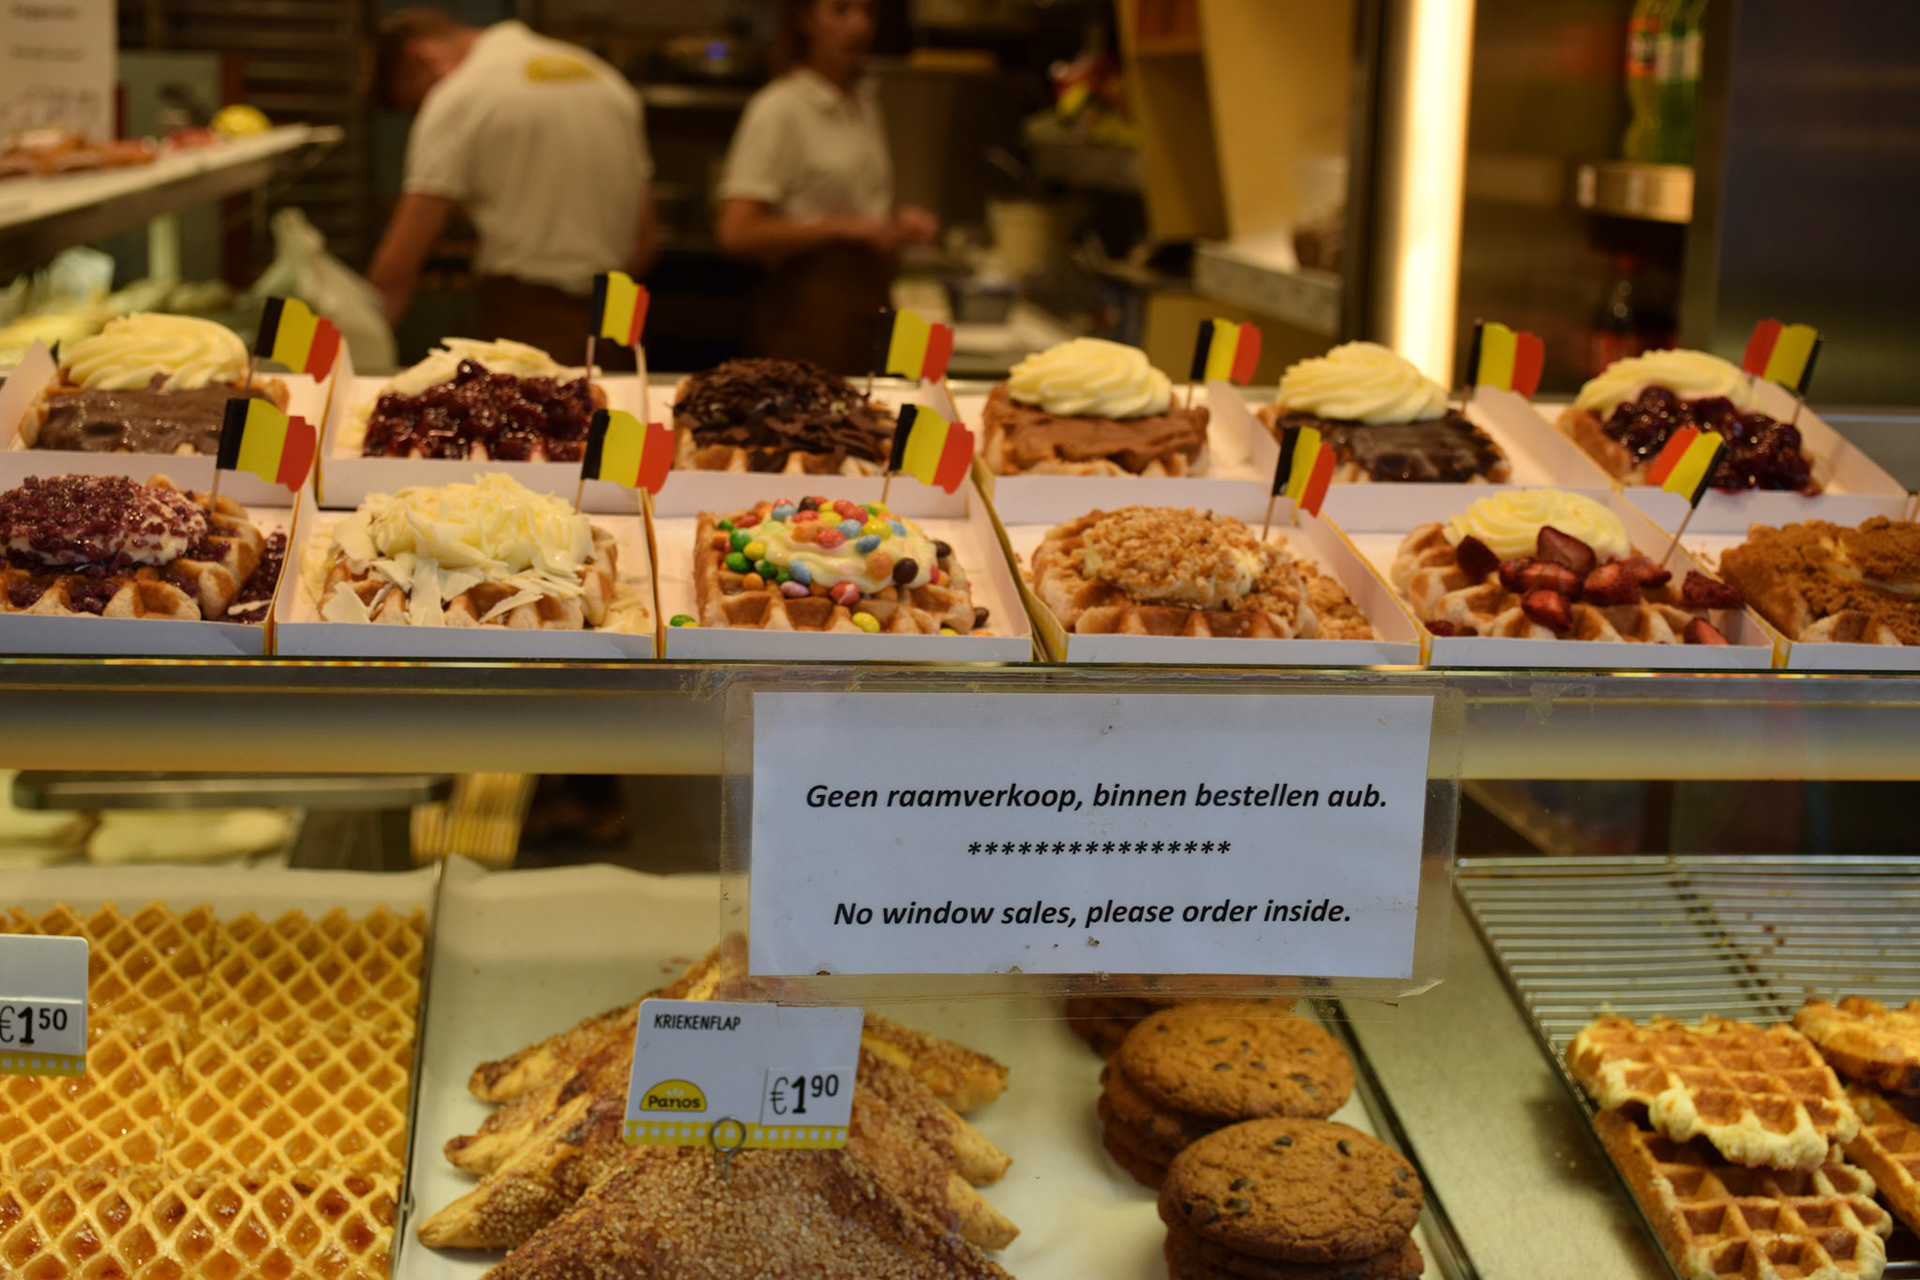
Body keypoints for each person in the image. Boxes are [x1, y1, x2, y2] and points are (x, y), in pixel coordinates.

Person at [368, 10, 660, 360]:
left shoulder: (460, 95)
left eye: (415, 104)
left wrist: (359, 351)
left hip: (528, 314)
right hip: (620, 309)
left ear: (421, 57)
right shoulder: (605, 78)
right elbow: (646, 236)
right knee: (619, 395)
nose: (421, 113)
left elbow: (402, 261)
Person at [714, 0, 940, 374]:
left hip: (867, 306)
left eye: (868, 11)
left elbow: (850, 204)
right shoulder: (780, 107)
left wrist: (895, 221)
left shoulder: (862, 98)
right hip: (808, 316)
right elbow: (736, 232)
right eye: (841, 10)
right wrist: (841, 228)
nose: (859, 25)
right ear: (805, 19)